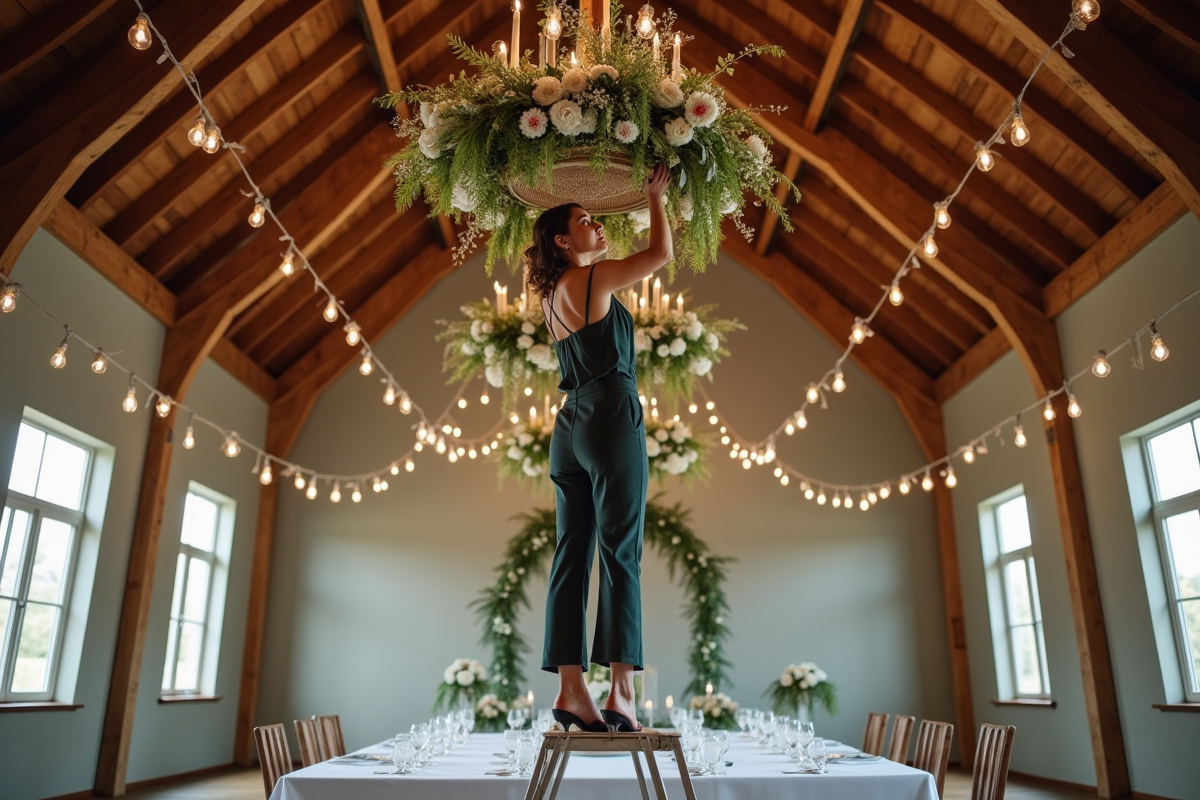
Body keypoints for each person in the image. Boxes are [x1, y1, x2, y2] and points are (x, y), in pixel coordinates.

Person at [525, 163, 673, 734]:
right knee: (621, 551)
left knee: (572, 554)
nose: (596, 225)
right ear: (563, 241)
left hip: (569, 427)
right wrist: (655, 198)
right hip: (610, 412)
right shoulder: (590, 279)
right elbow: (658, 254)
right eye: (585, 221)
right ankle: (621, 693)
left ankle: (570, 689)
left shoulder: (552, 297)